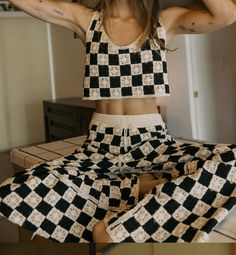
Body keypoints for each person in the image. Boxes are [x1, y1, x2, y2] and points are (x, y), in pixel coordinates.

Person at [0, 0, 236, 243]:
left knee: (233, 161)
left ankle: (117, 229)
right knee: (15, 191)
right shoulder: (87, 19)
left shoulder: (164, 21)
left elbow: (227, 15)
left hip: (153, 143)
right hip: (101, 146)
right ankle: (137, 187)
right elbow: (36, 5)